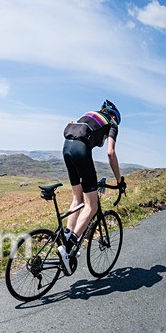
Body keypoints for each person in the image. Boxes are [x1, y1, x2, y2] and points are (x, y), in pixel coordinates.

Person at [58, 99, 126, 275]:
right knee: (92, 206)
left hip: (66, 148)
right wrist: (119, 181)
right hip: (81, 150)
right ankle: (67, 249)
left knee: (77, 198)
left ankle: (66, 236)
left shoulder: (90, 115)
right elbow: (110, 152)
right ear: (114, 116)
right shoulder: (111, 123)